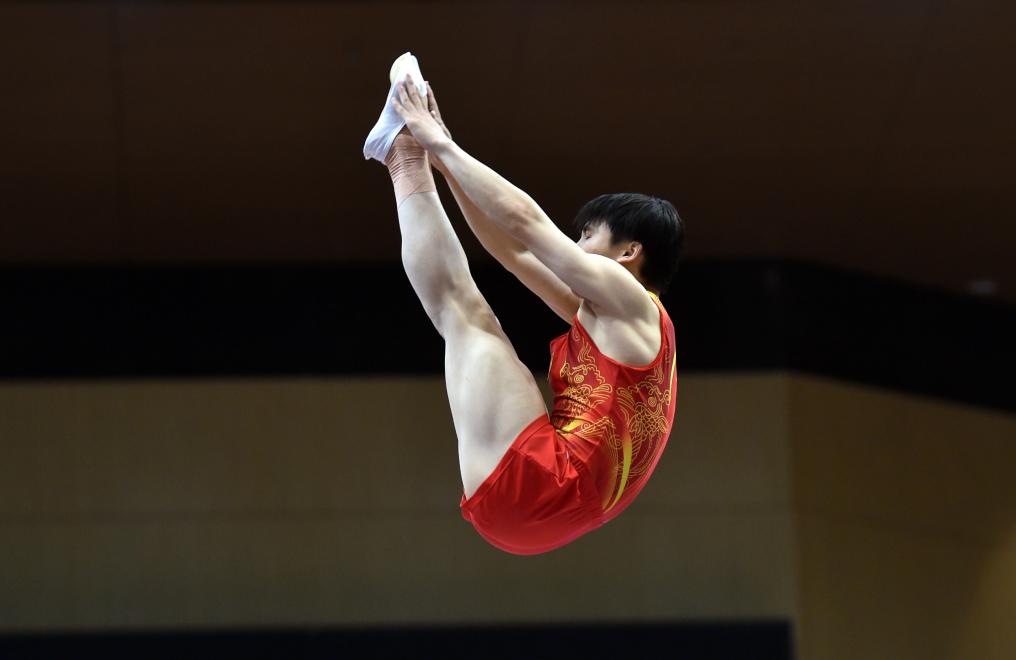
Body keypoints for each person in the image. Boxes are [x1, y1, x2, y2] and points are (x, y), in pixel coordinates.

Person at [364, 53, 684, 555]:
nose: (576, 245)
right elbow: (514, 252)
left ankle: (404, 157)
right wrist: (445, 160)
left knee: (467, 317)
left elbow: (527, 225)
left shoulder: (633, 302)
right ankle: (404, 157)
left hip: (546, 484)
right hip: (543, 515)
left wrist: (442, 144)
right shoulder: (610, 322)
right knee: (462, 314)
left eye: (587, 235)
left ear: (629, 252)